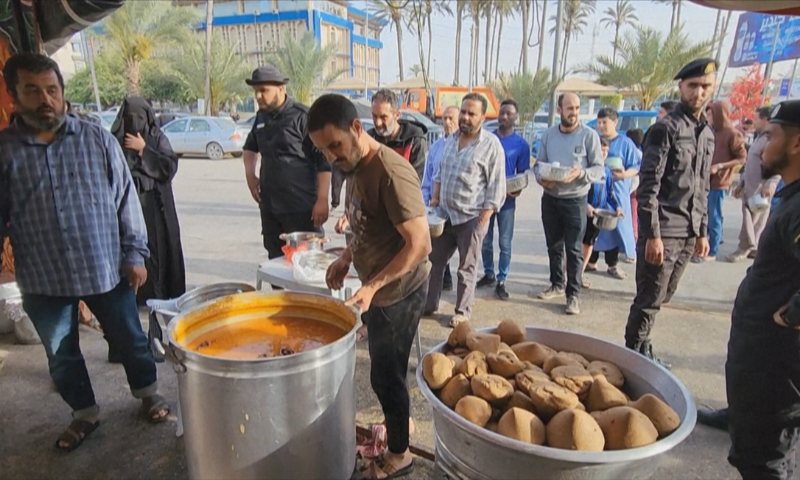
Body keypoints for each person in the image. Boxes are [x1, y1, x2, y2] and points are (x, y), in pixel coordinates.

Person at [0, 53, 169, 452]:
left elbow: (126, 198)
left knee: (129, 336)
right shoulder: (5, 151)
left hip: (104, 266)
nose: (46, 99)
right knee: (61, 353)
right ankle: (84, 413)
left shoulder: (95, 138)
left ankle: (148, 393)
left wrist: (135, 253)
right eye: (33, 90)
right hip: (42, 274)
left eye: (52, 90)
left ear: (62, 93)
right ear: (13, 96)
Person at [307, 94, 431, 480]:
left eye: (335, 145)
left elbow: (420, 244)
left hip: (400, 292)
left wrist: (373, 286)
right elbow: (363, 223)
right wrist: (346, 260)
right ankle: (399, 427)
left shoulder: (391, 173)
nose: (330, 157)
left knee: (387, 376)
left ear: (357, 129)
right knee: (384, 373)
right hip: (378, 290)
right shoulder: (355, 167)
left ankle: (399, 455)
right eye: (322, 150)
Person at [701, 99, 800, 480]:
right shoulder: (790, 194)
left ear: (796, 144)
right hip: (763, 356)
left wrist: (793, 313)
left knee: (763, 460)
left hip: (777, 361)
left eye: (769, 136)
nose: (759, 145)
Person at [626, 58, 716, 367]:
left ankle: (642, 346)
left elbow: (703, 186)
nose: (699, 93)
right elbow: (648, 185)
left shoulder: (707, 133)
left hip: (688, 232)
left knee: (664, 296)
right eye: (693, 86)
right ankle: (634, 356)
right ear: (681, 87)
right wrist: (652, 234)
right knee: (649, 299)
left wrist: (702, 230)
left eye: (705, 87)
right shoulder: (665, 129)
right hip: (664, 230)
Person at [425, 93, 506, 327]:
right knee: (433, 262)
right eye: (463, 112)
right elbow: (439, 173)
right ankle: (429, 304)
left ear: (482, 117)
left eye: (472, 113)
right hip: (444, 216)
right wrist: (435, 199)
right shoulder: (450, 140)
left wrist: (482, 220)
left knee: (466, 268)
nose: (465, 117)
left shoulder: (490, 146)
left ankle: (462, 312)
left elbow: (496, 188)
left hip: (471, 218)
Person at [242, 65, 331, 260]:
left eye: (263, 90)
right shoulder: (260, 117)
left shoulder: (303, 117)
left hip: (302, 208)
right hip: (271, 208)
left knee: (308, 260)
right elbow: (250, 148)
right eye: (256, 91)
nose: (258, 96)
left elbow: (324, 162)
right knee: (276, 259)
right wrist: (250, 176)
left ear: (281, 89)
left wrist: (323, 199)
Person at [532, 92, 604, 315]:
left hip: (575, 200)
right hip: (551, 199)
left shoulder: (589, 136)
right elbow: (539, 165)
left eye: (577, 108)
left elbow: (599, 169)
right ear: (559, 109)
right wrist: (541, 178)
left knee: (573, 249)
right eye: (569, 108)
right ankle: (556, 284)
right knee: (554, 245)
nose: (574, 112)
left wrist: (581, 173)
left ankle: (573, 295)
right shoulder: (548, 135)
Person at [111, 96, 186, 304]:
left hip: (157, 206)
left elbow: (168, 167)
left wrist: (144, 149)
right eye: (129, 117)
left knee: (161, 251)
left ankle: (161, 293)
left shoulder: (157, 138)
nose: (134, 121)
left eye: (139, 117)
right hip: (128, 208)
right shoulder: (114, 141)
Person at [477, 99, 531, 300]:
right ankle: (489, 273)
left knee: (505, 242)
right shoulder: (487, 140)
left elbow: (522, 176)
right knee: (485, 240)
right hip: (486, 200)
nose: (504, 117)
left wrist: (516, 191)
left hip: (507, 201)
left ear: (516, 117)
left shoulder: (521, 145)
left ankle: (502, 279)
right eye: (502, 113)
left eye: (509, 113)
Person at [587, 108, 640, 279]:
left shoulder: (625, 143)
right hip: (596, 195)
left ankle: (612, 264)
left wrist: (624, 174)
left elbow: (638, 165)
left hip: (617, 193)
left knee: (614, 229)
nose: (601, 126)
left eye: (605, 122)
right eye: (599, 122)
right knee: (593, 229)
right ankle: (591, 262)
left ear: (615, 122)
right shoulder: (594, 140)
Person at [692, 101, 746, 263]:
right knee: (704, 214)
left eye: (711, 114)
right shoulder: (710, 131)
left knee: (714, 216)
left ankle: (713, 250)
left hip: (719, 181)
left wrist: (720, 166)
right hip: (704, 180)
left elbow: (742, 158)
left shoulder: (733, 134)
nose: (708, 117)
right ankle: (703, 246)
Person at [728, 107, 780, 262]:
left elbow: (776, 165)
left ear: (767, 120)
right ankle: (753, 247)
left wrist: (771, 183)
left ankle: (744, 248)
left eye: (757, 119)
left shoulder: (773, 140)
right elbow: (751, 162)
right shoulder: (760, 137)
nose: (754, 122)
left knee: (756, 220)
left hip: (762, 188)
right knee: (750, 219)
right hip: (750, 185)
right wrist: (741, 183)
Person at [422, 105, 459, 292]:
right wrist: (426, 202)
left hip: (458, 208)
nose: (447, 122)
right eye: (444, 118)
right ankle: (440, 282)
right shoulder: (436, 148)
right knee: (436, 248)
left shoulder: (463, 146)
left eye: (451, 118)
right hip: (436, 209)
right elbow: (428, 178)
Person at [582, 137, 622, 289]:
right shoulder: (587, 168)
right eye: (601, 150)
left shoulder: (607, 172)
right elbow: (579, 191)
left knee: (589, 244)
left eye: (606, 150)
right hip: (581, 212)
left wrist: (617, 207)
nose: (604, 153)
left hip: (597, 215)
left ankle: (580, 273)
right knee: (575, 244)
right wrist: (586, 205)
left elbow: (610, 193)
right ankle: (566, 275)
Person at [627, 128, 645, 243]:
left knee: (632, 215)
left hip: (633, 189)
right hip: (635, 188)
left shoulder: (634, 153)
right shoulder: (641, 153)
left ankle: (633, 240)